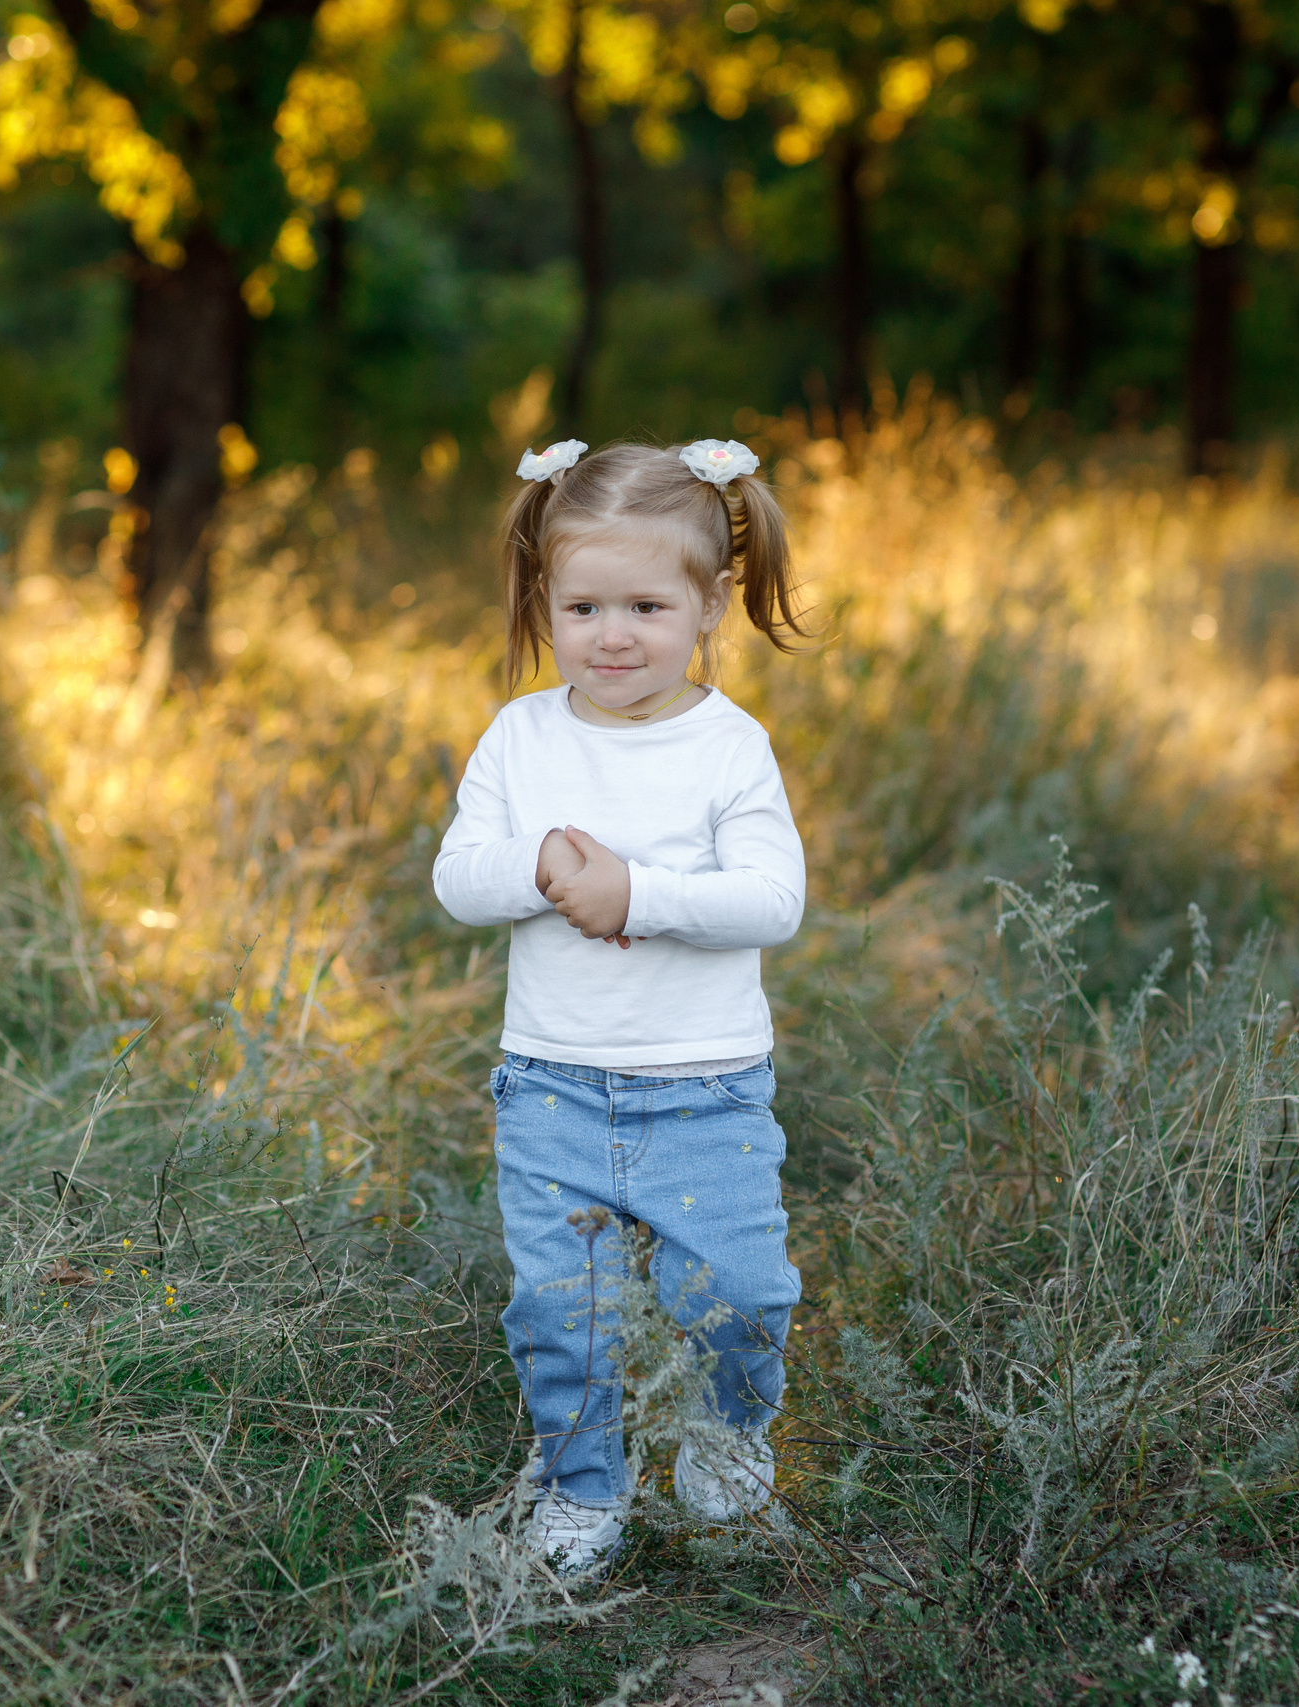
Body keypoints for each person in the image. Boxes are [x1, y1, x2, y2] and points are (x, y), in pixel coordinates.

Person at [431, 435, 812, 1578]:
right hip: (550, 1083)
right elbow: (458, 878)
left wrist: (631, 894)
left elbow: (772, 899)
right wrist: (543, 862)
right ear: (544, 598)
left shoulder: (728, 748)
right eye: (583, 604)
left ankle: (724, 1439)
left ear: (710, 604)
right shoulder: (521, 737)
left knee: (737, 1294)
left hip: (705, 1088)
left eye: (645, 604)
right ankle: (581, 1487)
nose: (612, 634)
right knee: (564, 1310)